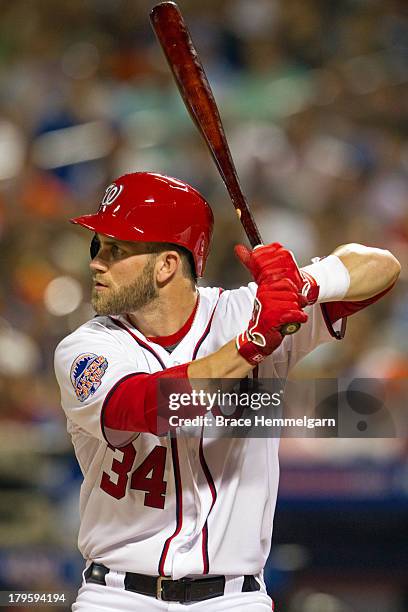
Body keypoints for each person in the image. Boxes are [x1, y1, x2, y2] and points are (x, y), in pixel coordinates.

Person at [54, 172, 400, 611]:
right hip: (117, 595)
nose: (96, 262)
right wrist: (251, 344)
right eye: (97, 246)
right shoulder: (88, 345)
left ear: (167, 265)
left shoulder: (247, 312)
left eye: (116, 249)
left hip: (235, 599)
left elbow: (382, 266)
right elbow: (147, 407)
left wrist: (303, 284)